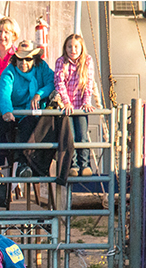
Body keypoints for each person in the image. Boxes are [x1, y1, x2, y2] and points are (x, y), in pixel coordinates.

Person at [0, 40, 55, 179]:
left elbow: (53, 82)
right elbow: (3, 92)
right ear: (15, 59)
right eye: (20, 59)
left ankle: (23, 165)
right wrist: (7, 111)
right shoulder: (9, 71)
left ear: (34, 59)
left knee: (29, 124)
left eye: (28, 59)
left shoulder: (42, 68)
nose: (24, 64)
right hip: (12, 113)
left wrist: (39, 94)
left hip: (31, 115)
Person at [55, 34, 96, 177]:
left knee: (82, 135)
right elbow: (59, 83)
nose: (73, 49)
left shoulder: (87, 61)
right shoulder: (61, 62)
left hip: (80, 105)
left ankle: (85, 164)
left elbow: (89, 82)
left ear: (81, 48)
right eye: (69, 46)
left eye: (76, 46)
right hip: (67, 106)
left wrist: (86, 101)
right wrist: (65, 102)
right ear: (65, 48)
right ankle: (72, 165)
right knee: (70, 135)